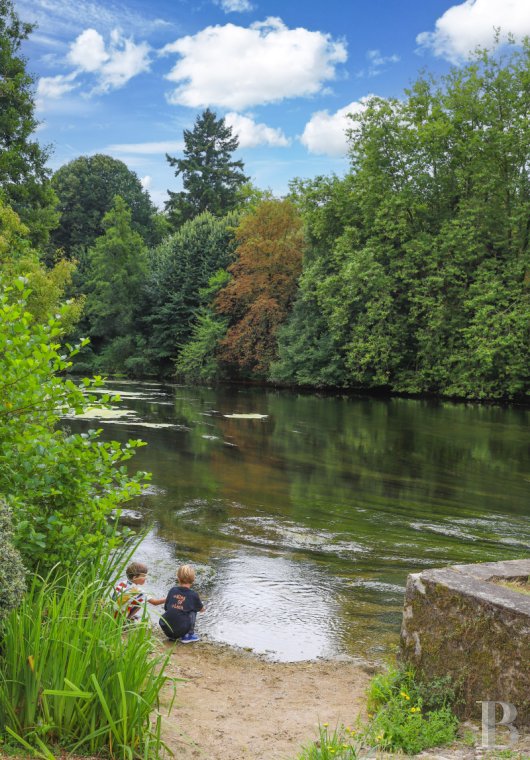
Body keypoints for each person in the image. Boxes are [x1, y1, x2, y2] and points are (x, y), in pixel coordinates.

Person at [159, 564, 205, 643]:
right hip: (181, 629)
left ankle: (173, 636)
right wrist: (201, 606)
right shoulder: (193, 594)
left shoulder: (172, 590)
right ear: (193, 579)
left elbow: (166, 607)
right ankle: (188, 635)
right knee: (193, 610)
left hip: (166, 628)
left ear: (178, 578)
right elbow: (202, 609)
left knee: (175, 611)